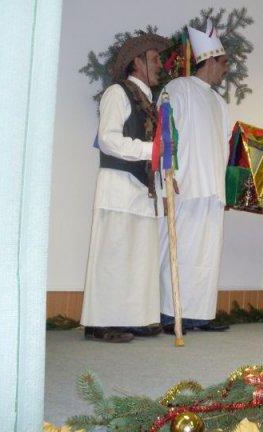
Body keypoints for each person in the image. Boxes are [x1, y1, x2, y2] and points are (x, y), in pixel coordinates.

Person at [81, 33, 170, 343]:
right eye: (154, 59)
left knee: (139, 256)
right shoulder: (117, 93)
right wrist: (150, 150)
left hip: (143, 190)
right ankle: (100, 322)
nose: (160, 65)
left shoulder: (152, 103)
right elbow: (108, 139)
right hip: (119, 187)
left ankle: (136, 317)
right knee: (113, 254)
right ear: (137, 62)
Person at [157, 21, 230, 334]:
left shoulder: (219, 102)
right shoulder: (178, 88)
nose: (225, 70)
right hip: (184, 183)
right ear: (210, 61)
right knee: (180, 250)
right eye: (223, 63)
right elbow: (165, 131)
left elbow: (223, 146)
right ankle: (169, 312)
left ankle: (200, 314)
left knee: (207, 253)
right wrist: (168, 171)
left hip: (212, 188)